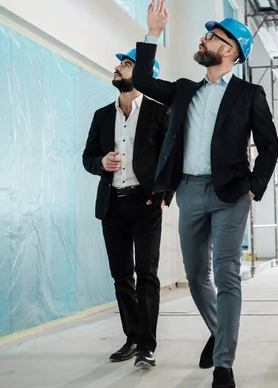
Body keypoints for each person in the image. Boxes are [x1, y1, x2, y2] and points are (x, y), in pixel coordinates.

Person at [132, 0, 278, 388]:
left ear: (229, 51)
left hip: (231, 194)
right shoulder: (183, 91)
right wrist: (153, 33)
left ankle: (224, 365)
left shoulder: (249, 95)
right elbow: (143, 82)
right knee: (198, 276)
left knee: (227, 274)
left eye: (211, 37)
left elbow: (270, 146)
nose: (203, 40)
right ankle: (218, 331)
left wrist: (255, 188)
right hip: (190, 193)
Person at [82, 48, 173, 369]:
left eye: (127, 64)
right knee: (121, 276)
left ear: (146, 74)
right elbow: (87, 157)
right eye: (121, 63)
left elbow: (170, 157)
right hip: (112, 205)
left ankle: (147, 346)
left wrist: (165, 193)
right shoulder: (102, 115)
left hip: (146, 204)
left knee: (147, 275)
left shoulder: (160, 113)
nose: (118, 68)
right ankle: (132, 337)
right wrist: (100, 163)